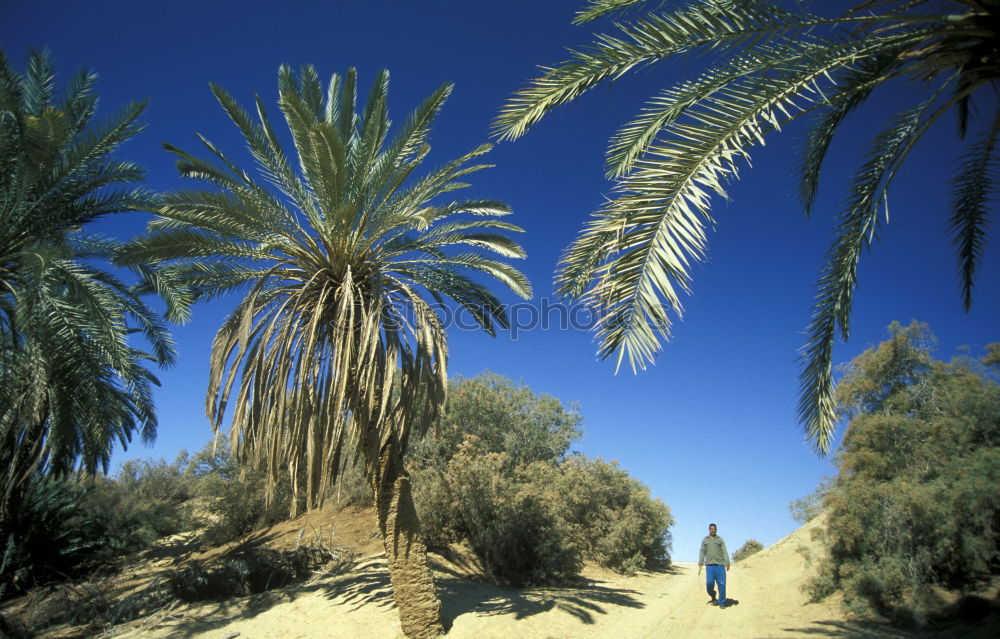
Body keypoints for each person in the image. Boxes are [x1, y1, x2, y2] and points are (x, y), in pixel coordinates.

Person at [698, 523, 731, 608]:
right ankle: (713, 595)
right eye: (711, 529)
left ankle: (722, 602)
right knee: (709, 584)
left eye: (714, 529)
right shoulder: (705, 540)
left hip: (720, 565)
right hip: (709, 566)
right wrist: (700, 561)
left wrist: (727, 562)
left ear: (716, 530)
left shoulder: (720, 540)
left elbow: (724, 551)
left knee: (722, 584)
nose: (712, 530)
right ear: (709, 530)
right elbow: (702, 551)